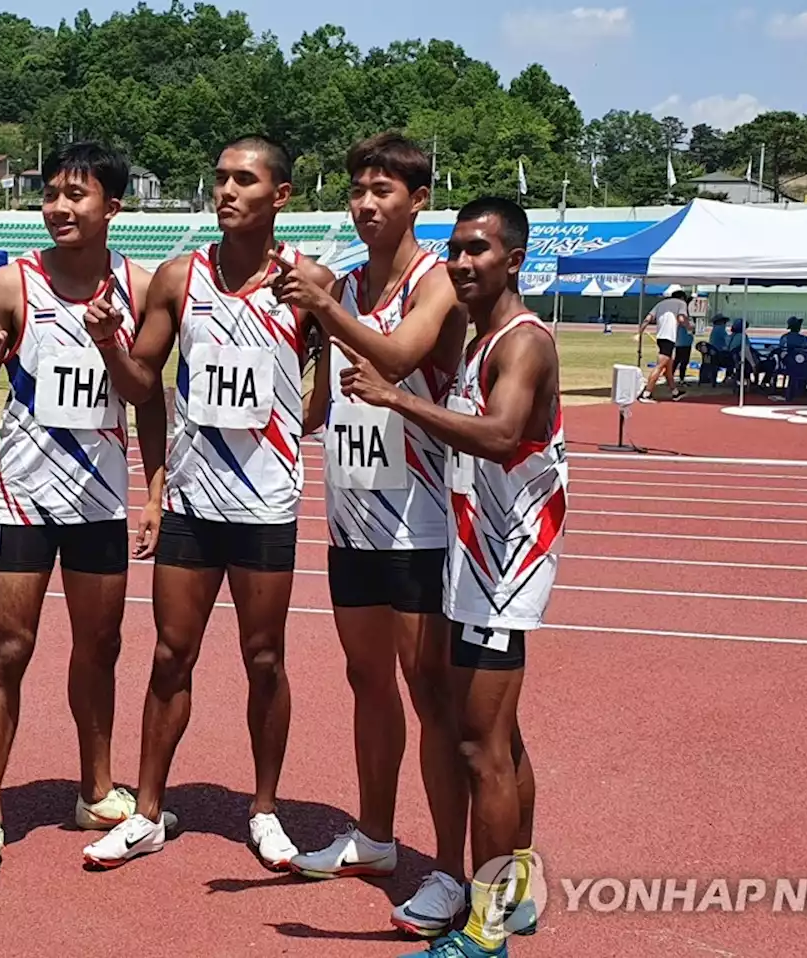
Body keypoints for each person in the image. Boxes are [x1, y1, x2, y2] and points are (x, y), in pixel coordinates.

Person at [79, 135, 335, 870]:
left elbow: (329, 394)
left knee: (265, 659)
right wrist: (107, 347)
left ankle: (264, 811)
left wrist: (301, 407)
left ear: (279, 196)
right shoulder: (179, 277)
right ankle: (150, 813)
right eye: (220, 178)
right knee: (169, 655)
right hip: (193, 502)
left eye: (243, 180)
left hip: (266, 504)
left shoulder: (308, 283)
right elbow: (140, 385)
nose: (225, 190)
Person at [334, 196, 567, 958]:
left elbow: (502, 436)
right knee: (502, 739)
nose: (464, 263)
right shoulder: (480, 339)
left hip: (505, 568)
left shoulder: (523, 344)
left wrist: (394, 397)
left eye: (480, 250)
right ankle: (517, 891)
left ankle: (487, 930)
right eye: (457, 250)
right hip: (475, 562)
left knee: (480, 748)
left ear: (515, 259)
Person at [0, 141, 172, 886]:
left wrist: (155, 488)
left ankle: (93, 791)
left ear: (113, 207)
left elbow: (146, 394)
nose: (58, 208)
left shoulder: (140, 289)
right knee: (8, 648)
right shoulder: (11, 284)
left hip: (101, 502)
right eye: (50, 195)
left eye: (76, 196)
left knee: (100, 647)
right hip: (23, 494)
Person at [280, 132, 472, 939]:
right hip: (352, 513)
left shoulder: (438, 285)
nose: (365, 204)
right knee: (367, 682)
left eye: (384, 192)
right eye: (358, 190)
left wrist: (324, 307)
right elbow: (325, 398)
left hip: (422, 524)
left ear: (418, 200)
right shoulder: (350, 281)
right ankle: (377, 837)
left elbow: (397, 354)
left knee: (432, 697)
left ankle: (451, 872)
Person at [638, 289, 690, 402]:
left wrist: (640, 332)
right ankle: (646, 393)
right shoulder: (681, 304)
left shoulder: (660, 304)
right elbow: (681, 318)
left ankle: (674, 392)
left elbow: (648, 319)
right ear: (682, 298)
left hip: (661, 337)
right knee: (660, 366)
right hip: (669, 337)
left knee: (668, 367)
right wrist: (689, 327)